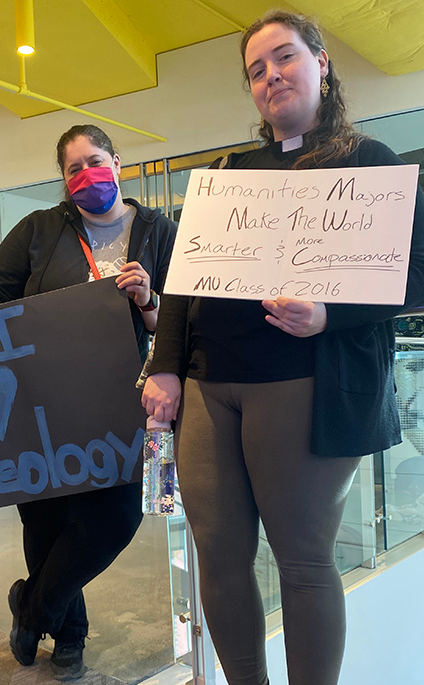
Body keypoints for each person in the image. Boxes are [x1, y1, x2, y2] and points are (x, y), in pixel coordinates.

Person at [141, 11, 424, 685]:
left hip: (306, 384)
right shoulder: (224, 171)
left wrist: (330, 313)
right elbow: (185, 280)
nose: (271, 76)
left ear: (321, 62)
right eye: (257, 69)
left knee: (301, 557)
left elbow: (413, 274)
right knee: (217, 551)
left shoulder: (370, 163)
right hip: (210, 386)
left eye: (285, 57)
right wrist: (166, 367)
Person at [0, 123, 177, 680]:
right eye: (73, 168)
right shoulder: (39, 229)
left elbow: (180, 321)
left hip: (122, 401)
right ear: (63, 179)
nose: (86, 174)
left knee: (117, 518)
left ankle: (33, 608)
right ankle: (70, 638)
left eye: (95, 160)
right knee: (48, 521)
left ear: (119, 161)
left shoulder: (157, 229)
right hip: (37, 400)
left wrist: (149, 299)